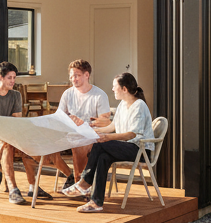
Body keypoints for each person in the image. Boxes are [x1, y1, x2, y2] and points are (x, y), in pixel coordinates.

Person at [61, 72, 154, 213]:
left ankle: (84, 182)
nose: (112, 89)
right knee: (103, 157)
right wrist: (96, 132)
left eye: (114, 86)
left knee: (100, 146)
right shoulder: (123, 105)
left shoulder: (139, 106)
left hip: (139, 150)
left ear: (124, 89)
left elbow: (132, 134)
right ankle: (96, 202)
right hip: (126, 147)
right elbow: (112, 127)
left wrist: (108, 137)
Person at [0, 61, 53, 205]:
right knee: (6, 146)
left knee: (26, 146)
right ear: (0, 77)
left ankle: (33, 186)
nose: (13, 81)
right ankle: (13, 190)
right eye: (9, 78)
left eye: (14, 77)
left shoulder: (16, 96)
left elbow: (16, 121)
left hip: (8, 136)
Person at [53, 59, 111, 193]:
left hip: (91, 134)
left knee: (80, 141)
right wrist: (69, 119)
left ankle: (81, 182)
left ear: (87, 75)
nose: (73, 79)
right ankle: (71, 175)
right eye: (71, 76)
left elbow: (105, 121)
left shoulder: (99, 95)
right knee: (45, 144)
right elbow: (58, 116)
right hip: (69, 133)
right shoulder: (68, 94)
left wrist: (84, 124)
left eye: (77, 75)